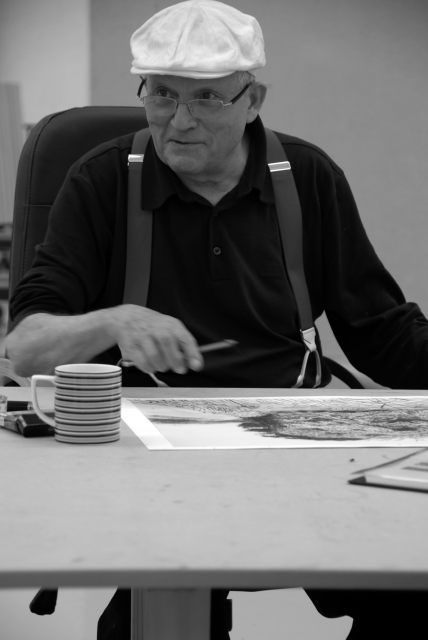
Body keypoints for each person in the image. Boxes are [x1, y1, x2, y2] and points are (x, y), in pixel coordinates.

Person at [6, 0, 428, 638]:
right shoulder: (101, 181)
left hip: (296, 438)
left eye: (206, 98)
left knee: (412, 589)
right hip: (150, 449)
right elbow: (28, 348)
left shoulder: (305, 176)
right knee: (151, 625)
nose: (179, 121)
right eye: (161, 95)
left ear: (252, 98)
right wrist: (112, 320)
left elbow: (381, 331)